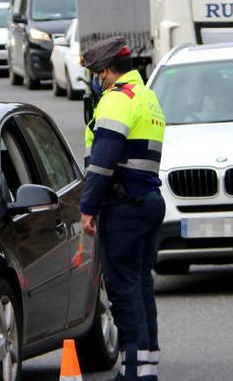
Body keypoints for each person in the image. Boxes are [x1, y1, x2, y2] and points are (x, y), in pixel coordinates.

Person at [80, 36, 166, 381]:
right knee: (141, 285)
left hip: (124, 204)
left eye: (96, 73)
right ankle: (145, 367)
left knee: (123, 287)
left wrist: (88, 206)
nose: (96, 80)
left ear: (105, 74)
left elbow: (103, 162)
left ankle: (135, 372)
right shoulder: (147, 96)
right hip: (147, 202)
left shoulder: (117, 100)